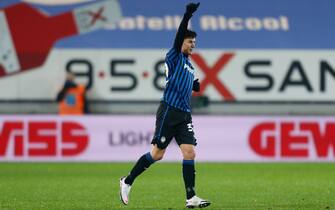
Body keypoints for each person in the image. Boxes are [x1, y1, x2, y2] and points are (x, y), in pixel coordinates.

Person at [119, 3, 211, 208]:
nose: (193, 44)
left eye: (194, 42)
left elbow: (188, 84)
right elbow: (179, 35)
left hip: (184, 114)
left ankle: (191, 197)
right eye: (190, 41)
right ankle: (127, 181)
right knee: (157, 154)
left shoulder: (189, 65)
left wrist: (194, 85)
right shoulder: (175, 56)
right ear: (181, 43)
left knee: (189, 152)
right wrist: (188, 14)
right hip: (169, 110)